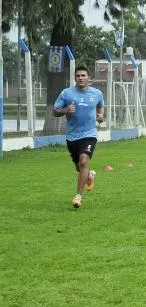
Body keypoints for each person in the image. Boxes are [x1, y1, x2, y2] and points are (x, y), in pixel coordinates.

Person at [52, 65, 105, 208]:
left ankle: (78, 196)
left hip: (89, 135)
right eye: (78, 76)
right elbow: (55, 111)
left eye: (83, 75)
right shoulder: (67, 93)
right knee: (79, 167)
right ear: (75, 78)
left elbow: (100, 105)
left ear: (89, 78)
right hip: (72, 137)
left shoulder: (96, 93)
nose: (81, 78)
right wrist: (65, 110)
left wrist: (100, 115)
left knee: (83, 162)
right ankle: (89, 176)